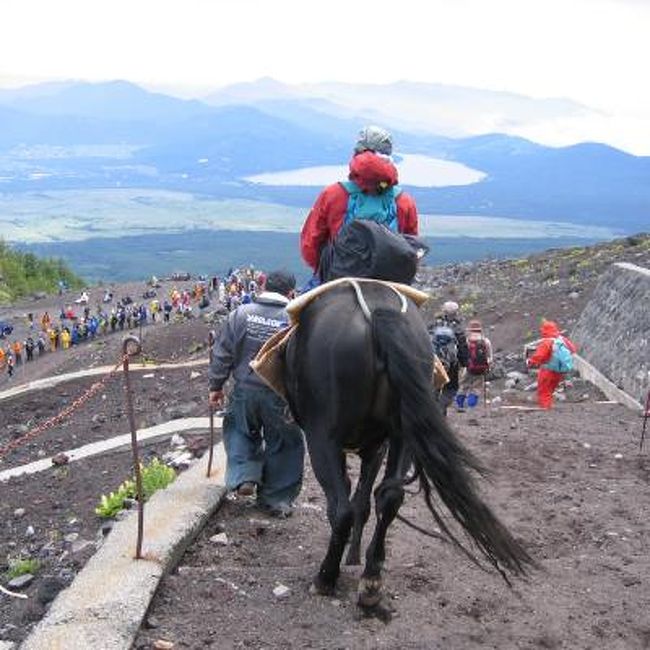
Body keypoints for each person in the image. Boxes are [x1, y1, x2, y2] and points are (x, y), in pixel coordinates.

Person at [208, 270, 305, 517]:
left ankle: (245, 477)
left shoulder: (239, 314)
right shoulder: (295, 321)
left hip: (244, 390)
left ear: (263, 287)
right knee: (284, 444)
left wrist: (216, 386)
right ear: (291, 293)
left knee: (240, 430)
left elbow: (222, 353)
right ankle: (276, 500)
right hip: (280, 395)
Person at [300, 125, 419, 281]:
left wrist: (326, 272)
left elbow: (310, 245)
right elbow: (411, 249)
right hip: (390, 282)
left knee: (300, 304)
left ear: (357, 154)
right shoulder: (404, 201)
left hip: (338, 277)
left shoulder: (333, 194)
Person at [526, 319, 577, 409]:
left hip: (547, 370)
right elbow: (573, 349)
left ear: (545, 331)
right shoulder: (562, 339)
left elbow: (539, 356)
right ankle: (548, 406)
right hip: (559, 371)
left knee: (544, 391)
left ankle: (545, 409)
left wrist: (530, 362)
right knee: (550, 390)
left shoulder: (546, 342)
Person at [429, 301, 469, 415]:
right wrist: (465, 362)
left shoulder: (433, 325)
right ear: (456, 312)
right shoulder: (457, 328)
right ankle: (441, 408)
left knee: (434, 386)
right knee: (451, 388)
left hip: (433, 360)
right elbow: (462, 347)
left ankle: (433, 407)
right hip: (451, 364)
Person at [457, 320, 493, 411]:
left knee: (463, 385)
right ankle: (471, 406)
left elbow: (461, 354)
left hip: (467, 367)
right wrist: (488, 366)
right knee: (476, 387)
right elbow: (489, 357)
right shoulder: (485, 341)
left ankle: (460, 405)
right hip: (481, 368)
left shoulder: (466, 340)